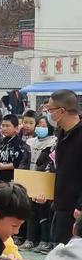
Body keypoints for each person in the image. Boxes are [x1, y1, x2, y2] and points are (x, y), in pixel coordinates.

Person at [46, 89, 82, 244]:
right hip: (60, 205)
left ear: (62, 111)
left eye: (49, 110)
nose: (47, 114)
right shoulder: (61, 133)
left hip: (76, 209)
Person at [18, 116, 57, 254]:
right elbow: (24, 162)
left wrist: (38, 178)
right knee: (30, 211)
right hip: (29, 180)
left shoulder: (53, 143)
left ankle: (44, 241)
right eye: (39, 124)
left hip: (43, 181)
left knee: (44, 212)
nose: (41, 127)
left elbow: (47, 164)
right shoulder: (30, 143)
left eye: (44, 125)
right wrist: (23, 175)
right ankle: (29, 239)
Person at [0, 114, 31, 183]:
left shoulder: (20, 144)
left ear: (16, 128)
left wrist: (3, 166)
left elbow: (20, 163)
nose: (4, 128)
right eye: (3, 125)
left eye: (7, 126)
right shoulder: (1, 142)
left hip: (12, 179)